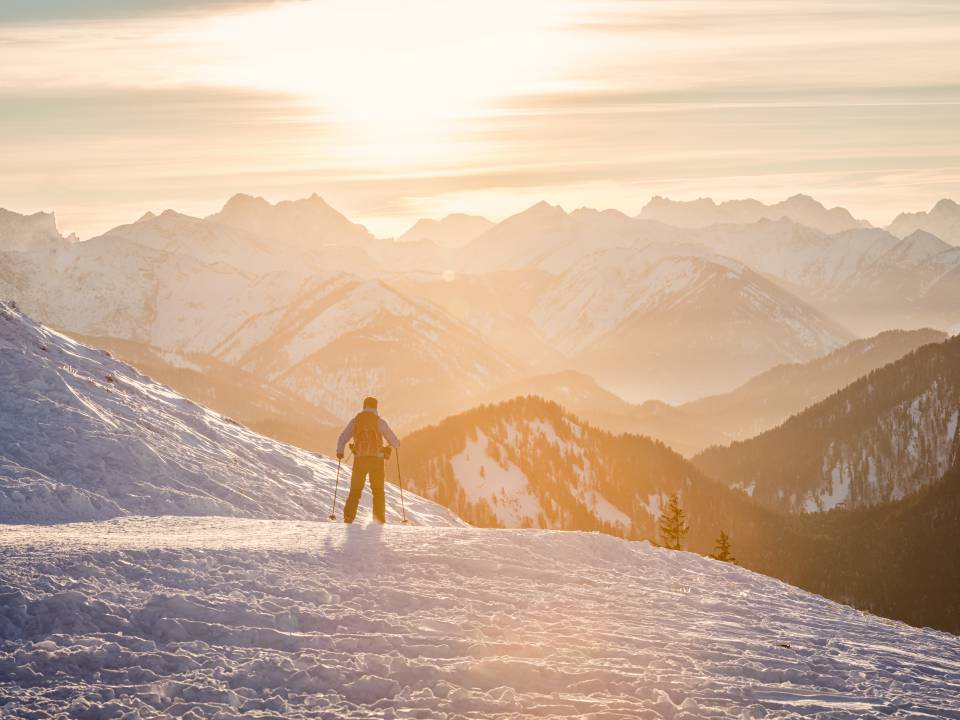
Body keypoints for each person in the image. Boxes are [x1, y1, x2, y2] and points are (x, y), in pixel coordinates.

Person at [336, 396, 400, 524]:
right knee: (378, 491)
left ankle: (348, 517)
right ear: (376, 407)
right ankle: (379, 519)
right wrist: (387, 447)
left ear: (364, 406)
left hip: (360, 460)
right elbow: (395, 442)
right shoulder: (379, 422)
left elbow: (342, 438)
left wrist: (340, 452)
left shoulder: (355, 421)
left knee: (355, 490)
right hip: (377, 460)